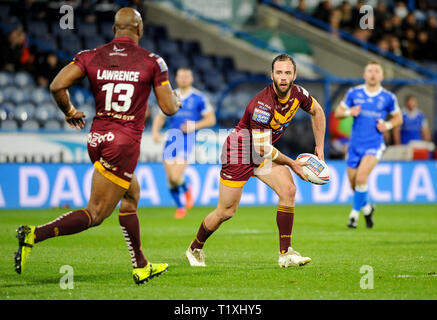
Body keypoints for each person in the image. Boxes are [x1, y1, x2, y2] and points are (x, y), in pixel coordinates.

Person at [14, 7, 181, 284]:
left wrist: (69, 111)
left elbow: (57, 85)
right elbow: (168, 108)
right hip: (124, 144)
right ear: (139, 30)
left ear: (114, 29)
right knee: (95, 213)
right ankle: (33, 235)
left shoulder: (90, 56)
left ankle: (141, 265)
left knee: (131, 195)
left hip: (97, 139)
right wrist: (176, 99)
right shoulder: (153, 61)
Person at [185, 54, 326, 268]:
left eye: (288, 73)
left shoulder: (299, 94)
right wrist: (292, 163)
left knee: (288, 190)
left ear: (294, 75)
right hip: (239, 152)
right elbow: (262, 148)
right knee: (226, 211)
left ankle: (285, 253)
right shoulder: (262, 105)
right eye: (279, 73)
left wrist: (320, 147)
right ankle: (195, 248)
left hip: (262, 153)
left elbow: (317, 111)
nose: (283, 77)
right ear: (272, 75)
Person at [335, 61, 403, 229]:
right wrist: (350, 112)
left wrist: (387, 126)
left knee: (361, 178)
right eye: (370, 71)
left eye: (376, 71)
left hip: (374, 143)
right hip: (355, 144)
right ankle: (367, 208)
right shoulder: (354, 93)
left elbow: (398, 118)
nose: (373, 74)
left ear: (382, 76)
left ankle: (353, 216)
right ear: (365, 75)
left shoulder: (388, 97)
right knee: (354, 184)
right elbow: (338, 113)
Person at [152, 67, 216, 219]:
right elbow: (160, 117)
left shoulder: (199, 97)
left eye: (187, 76)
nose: (184, 79)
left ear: (191, 78)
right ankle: (181, 205)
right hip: (171, 139)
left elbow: (211, 119)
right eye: (181, 76)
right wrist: (155, 131)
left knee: (175, 176)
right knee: (170, 180)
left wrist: (193, 126)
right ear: (176, 78)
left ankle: (186, 193)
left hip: (187, 140)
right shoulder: (171, 96)